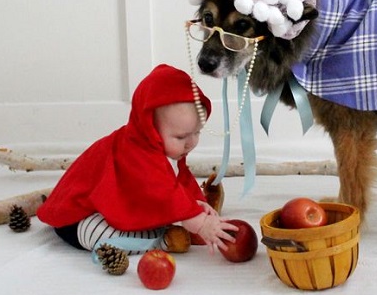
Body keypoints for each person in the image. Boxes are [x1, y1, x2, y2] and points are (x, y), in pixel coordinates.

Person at [37, 64, 237, 253]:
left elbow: (180, 180)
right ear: (150, 129)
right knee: (99, 234)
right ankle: (161, 242)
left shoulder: (167, 148)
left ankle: (161, 230)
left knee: (173, 211)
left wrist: (196, 203)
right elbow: (164, 190)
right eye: (181, 137)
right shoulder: (136, 151)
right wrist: (198, 222)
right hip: (79, 217)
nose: (191, 143)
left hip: (111, 205)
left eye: (197, 132)